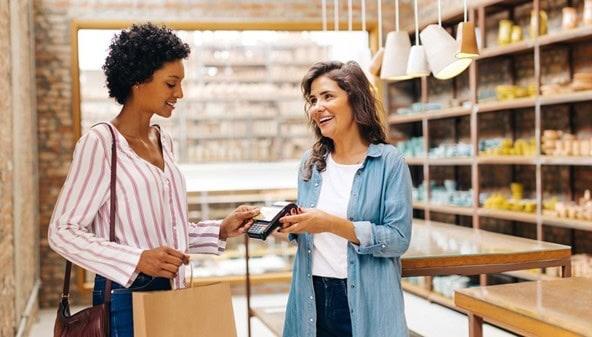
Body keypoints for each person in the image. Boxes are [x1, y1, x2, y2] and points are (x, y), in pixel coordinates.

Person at [48, 23, 259, 337]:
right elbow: (62, 232)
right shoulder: (101, 144)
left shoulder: (164, 140)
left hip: (175, 288)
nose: (180, 94)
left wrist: (220, 229)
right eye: (171, 84)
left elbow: (166, 227)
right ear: (137, 81)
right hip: (125, 297)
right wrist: (137, 259)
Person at [279, 61, 413, 337]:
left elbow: (398, 239)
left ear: (355, 99)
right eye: (313, 100)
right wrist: (287, 226)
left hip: (364, 295)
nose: (317, 107)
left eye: (328, 96)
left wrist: (329, 223)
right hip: (311, 294)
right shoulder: (311, 163)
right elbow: (310, 232)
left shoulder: (389, 162)